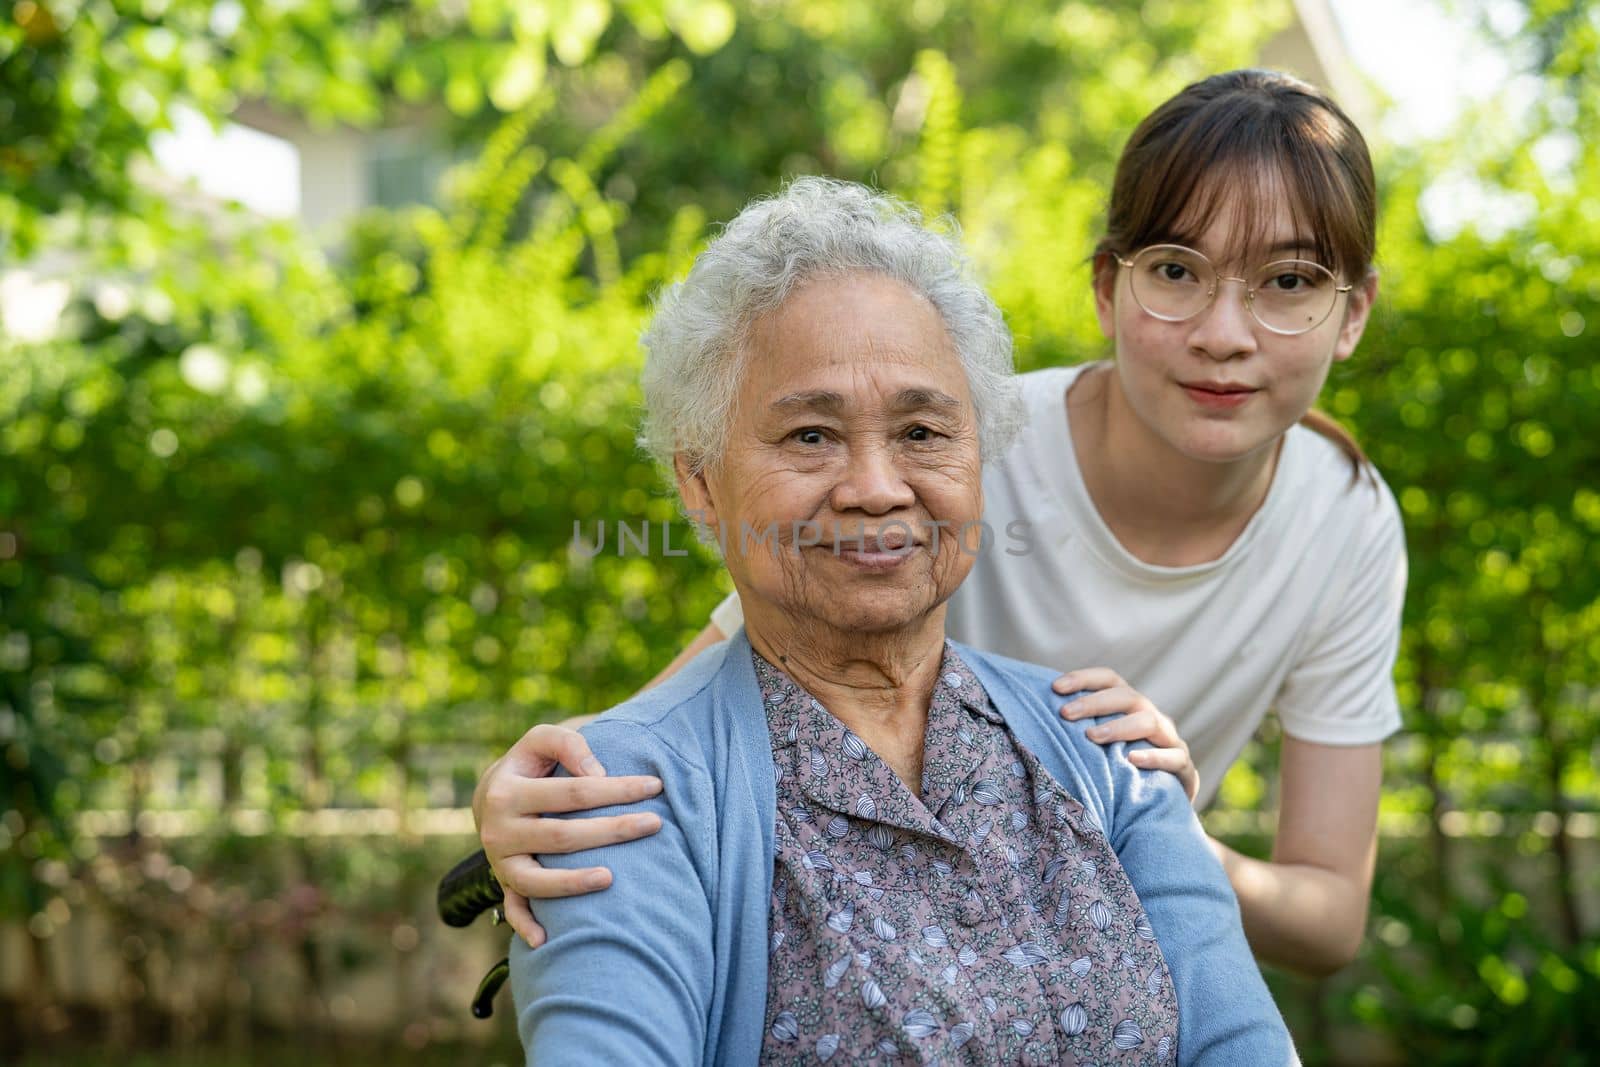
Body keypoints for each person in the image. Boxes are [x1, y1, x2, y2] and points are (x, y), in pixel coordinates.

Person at [479, 68, 1404, 978]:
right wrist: (536, 790)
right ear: (1106, 286)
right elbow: (735, 667)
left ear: (1353, 312)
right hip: (849, 939)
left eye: (1288, 282)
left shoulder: (1346, 522)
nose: (1225, 333)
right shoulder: (953, 441)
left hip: (1105, 971)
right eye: (1175, 270)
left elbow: (1327, 916)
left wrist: (1152, 833)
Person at [511, 175, 1293, 1064]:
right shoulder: (622, 799)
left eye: (922, 433)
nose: (878, 486)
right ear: (699, 480)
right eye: (810, 435)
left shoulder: (1106, 750)